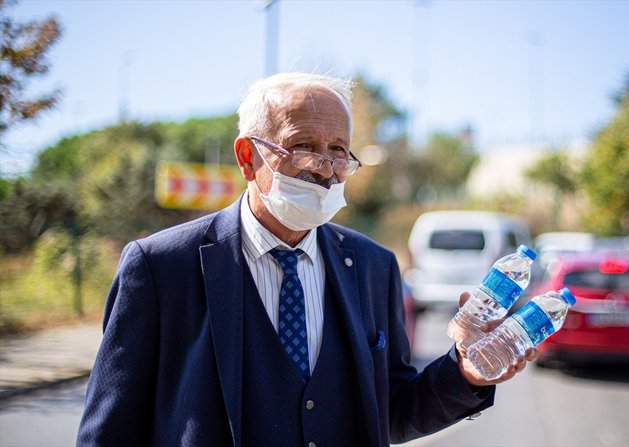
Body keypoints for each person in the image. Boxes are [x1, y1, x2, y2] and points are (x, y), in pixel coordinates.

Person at [77, 72, 537, 446]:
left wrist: (464, 371)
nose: (323, 166)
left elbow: (390, 412)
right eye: (303, 146)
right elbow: (110, 432)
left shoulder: (373, 267)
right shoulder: (161, 268)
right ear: (246, 156)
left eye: (338, 150)